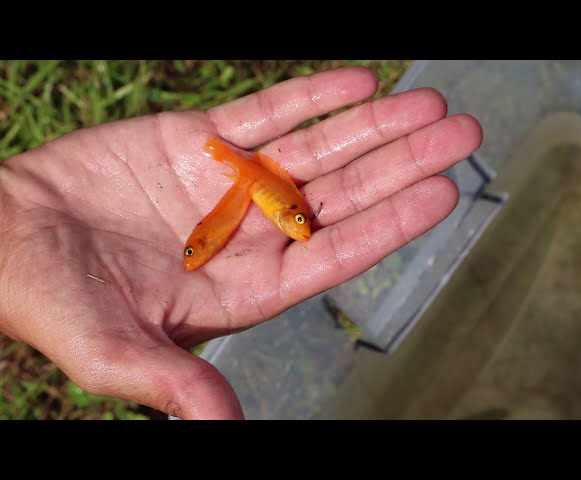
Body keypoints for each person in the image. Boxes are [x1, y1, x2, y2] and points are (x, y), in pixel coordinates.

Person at [0, 67, 482, 419]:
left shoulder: (269, 204)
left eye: (298, 218)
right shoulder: (219, 227)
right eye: (298, 219)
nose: (302, 224)